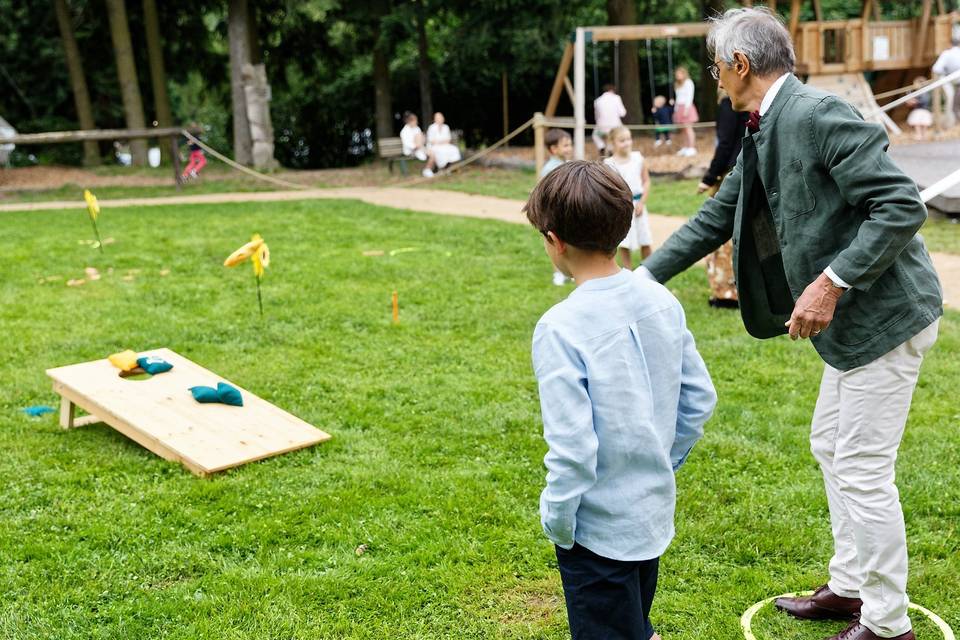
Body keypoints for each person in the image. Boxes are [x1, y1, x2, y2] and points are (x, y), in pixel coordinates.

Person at [640, 9, 942, 640]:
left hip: (885, 321)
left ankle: (888, 625)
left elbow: (900, 206)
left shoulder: (816, 113)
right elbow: (716, 217)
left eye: (716, 65)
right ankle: (849, 587)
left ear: (739, 65)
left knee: (861, 466)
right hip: (856, 330)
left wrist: (831, 282)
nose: (714, 76)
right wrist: (639, 281)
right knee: (830, 445)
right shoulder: (764, 125)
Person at [524, 160, 716, 640]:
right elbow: (699, 399)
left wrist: (558, 519)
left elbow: (572, 448)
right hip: (649, 514)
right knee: (633, 623)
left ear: (554, 241)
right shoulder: (660, 299)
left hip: (596, 533)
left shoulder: (560, 328)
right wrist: (664, 462)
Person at [697, 89, 748, 308]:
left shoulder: (730, 104)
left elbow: (725, 144)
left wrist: (709, 178)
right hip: (751, 170)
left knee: (724, 234)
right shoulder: (755, 103)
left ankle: (726, 293)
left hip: (732, 173)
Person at [603, 127, 652, 270]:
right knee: (624, 241)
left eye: (629, 139)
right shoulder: (609, 164)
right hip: (622, 205)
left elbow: (646, 181)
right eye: (622, 140)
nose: (627, 143)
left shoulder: (638, 158)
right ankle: (628, 271)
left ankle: (649, 270)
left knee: (645, 238)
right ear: (613, 143)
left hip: (639, 205)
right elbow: (609, 188)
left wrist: (642, 202)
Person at [540, 128, 575, 286]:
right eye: (566, 145)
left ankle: (572, 270)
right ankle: (558, 274)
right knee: (555, 244)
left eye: (570, 144)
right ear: (554, 149)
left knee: (571, 243)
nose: (570, 148)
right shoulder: (549, 169)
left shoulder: (568, 165)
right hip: (555, 213)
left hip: (568, 211)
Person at [931, 27, 960, 126]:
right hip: (954, 81)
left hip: (951, 80)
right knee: (954, 103)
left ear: (950, 44)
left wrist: (945, 72)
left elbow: (936, 69)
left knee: (951, 102)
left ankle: (950, 123)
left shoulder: (946, 53)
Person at [423, 112, 461, 178]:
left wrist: (440, 142)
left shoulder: (446, 127)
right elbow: (431, 140)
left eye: (441, 117)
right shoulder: (432, 127)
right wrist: (441, 142)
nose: (440, 119)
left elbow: (448, 140)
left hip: (445, 146)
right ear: (434, 119)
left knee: (454, 149)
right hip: (433, 147)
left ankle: (448, 168)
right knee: (440, 151)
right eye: (438, 118)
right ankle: (439, 168)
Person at [593, 84, 627, 155]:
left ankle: (601, 147)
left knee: (595, 135)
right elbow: (623, 113)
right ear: (612, 90)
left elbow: (596, 117)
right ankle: (610, 150)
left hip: (602, 127)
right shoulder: (617, 98)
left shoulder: (597, 100)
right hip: (615, 126)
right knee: (617, 135)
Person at [672, 67, 699, 157]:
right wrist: (676, 110)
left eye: (679, 73)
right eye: (676, 74)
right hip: (679, 107)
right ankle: (685, 147)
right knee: (683, 130)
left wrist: (687, 109)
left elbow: (690, 96)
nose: (677, 76)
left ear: (684, 74)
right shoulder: (677, 84)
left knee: (688, 129)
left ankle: (691, 148)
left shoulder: (688, 82)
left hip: (687, 107)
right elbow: (677, 98)